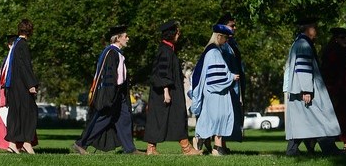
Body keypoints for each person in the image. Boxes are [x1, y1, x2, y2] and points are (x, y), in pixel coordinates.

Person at [72, 25, 141, 155]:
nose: (128, 38)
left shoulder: (117, 53)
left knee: (124, 118)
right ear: (118, 38)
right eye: (126, 36)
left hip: (119, 93)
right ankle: (81, 144)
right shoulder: (111, 53)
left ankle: (130, 149)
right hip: (111, 93)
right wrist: (110, 96)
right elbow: (110, 78)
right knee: (103, 119)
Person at [283, 17, 342, 156]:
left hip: (299, 88)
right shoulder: (303, 44)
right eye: (314, 28)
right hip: (306, 89)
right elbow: (303, 68)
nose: (316, 31)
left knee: (302, 119)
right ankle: (329, 149)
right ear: (308, 29)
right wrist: (306, 90)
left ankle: (292, 150)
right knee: (319, 118)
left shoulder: (298, 42)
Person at [144, 20, 200, 155]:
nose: (178, 35)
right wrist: (166, 92)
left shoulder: (167, 49)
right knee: (173, 117)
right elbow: (162, 73)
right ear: (172, 34)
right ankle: (186, 148)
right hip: (166, 92)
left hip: (168, 91)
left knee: (168, 118)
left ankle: (152, 148)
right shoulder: (165, 51)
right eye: (177, 32)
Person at [191, 24, 240, 156]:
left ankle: (200, 139)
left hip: (215, 91)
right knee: (219, 117)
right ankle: (216, 147)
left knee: (211, 117)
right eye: (225, 38)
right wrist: (231, 77)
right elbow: (215, 76)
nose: (227, 41)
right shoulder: (213, 52)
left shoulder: (214, 51)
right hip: (216, 91)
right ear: (219, 36)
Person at [4, 19, 39, 154]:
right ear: (30, 31)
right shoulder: (22, 45)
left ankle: (12, 143)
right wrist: (31, 84)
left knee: (15, 114)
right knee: (30, 113)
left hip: (13, 85)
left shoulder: (15, 44)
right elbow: (25, 66)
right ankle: (26, 143)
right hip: (21, 85)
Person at [321, 27, 346, 155]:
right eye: (342, 37)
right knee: (336, 119)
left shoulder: (344, 52)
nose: (345, 40)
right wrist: (333, 89)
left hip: (345, 91)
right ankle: (329, 146)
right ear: (335, 39)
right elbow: (328, 73)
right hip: (335, 91)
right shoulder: (331, 53)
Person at [216, 14, 244, 150]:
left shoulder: (231, 44)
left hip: (233, 85)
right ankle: (210, 143)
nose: (235, 28)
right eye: (232, 25)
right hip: (225, 85)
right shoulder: (220, 46)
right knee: (222, 114)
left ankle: (223, 143)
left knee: (230, 114)